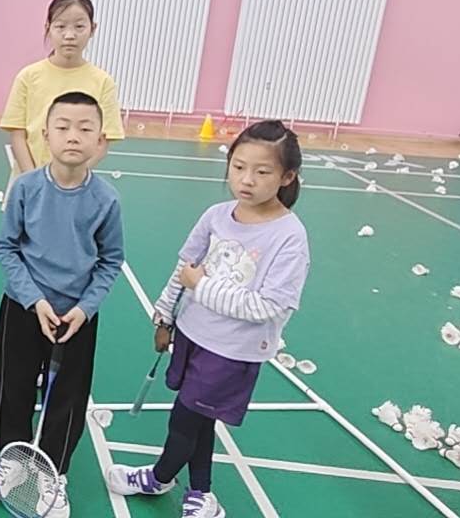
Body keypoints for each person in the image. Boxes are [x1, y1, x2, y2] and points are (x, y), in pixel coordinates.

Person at [108, 120, 310, 518]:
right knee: (199, 418)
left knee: (185, 419)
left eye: (262, 171)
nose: (246, 180)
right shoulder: (217, 215)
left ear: (287, 176)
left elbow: (267, 305)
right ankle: (202, 494)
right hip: (192, 334)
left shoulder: (289, 236)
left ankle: (160, 477)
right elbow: (184, 267)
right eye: (239, 167)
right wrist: (164, 315)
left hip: (232, 351)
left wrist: (201, 286)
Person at [0, 91, 124, 518]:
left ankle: (54, 471)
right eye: (63, 127)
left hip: (76, 316)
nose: (73, 136)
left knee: (68, 396)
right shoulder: (26, 188)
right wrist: (33, 299)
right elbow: (7, 248)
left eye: (85, 128)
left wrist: (85, 308)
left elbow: (111, 260)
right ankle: (11, 457)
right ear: (45, 135)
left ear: (100, 139)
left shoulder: (106, 199)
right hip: (24, 308)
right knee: (12, 386)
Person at [0, 0, 125, 188]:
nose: (69, 35)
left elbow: (103, 141)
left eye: (79, 27)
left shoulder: (103, 82)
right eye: (60, 26)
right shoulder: (28, 76)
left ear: (93, 29)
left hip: (75, 186)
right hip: (27, 183)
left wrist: (69, 179)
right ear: (48, 28)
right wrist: (35, 179)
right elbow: (17, 134)